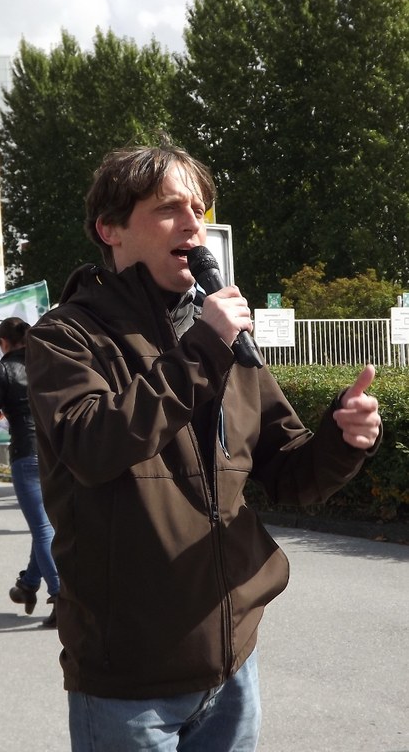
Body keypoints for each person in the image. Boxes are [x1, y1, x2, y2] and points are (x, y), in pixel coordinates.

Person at [24, 139, 382, 751]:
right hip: (129, 683)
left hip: (232, 666)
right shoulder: (66, 336)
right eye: (168, 208)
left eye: (200, 208)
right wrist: (203, 352)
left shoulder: (219, 335)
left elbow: (291, 472)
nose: (193, 224)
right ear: (109, 229)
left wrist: (343, 438)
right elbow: (92, 445)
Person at [0, 317, 59, 628]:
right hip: (56, 453)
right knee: (43, 522)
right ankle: (29, 584)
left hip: (26, 454)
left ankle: (61, 597)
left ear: (3, 343)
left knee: (43, 528)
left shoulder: (2, 370)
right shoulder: (49, 363)